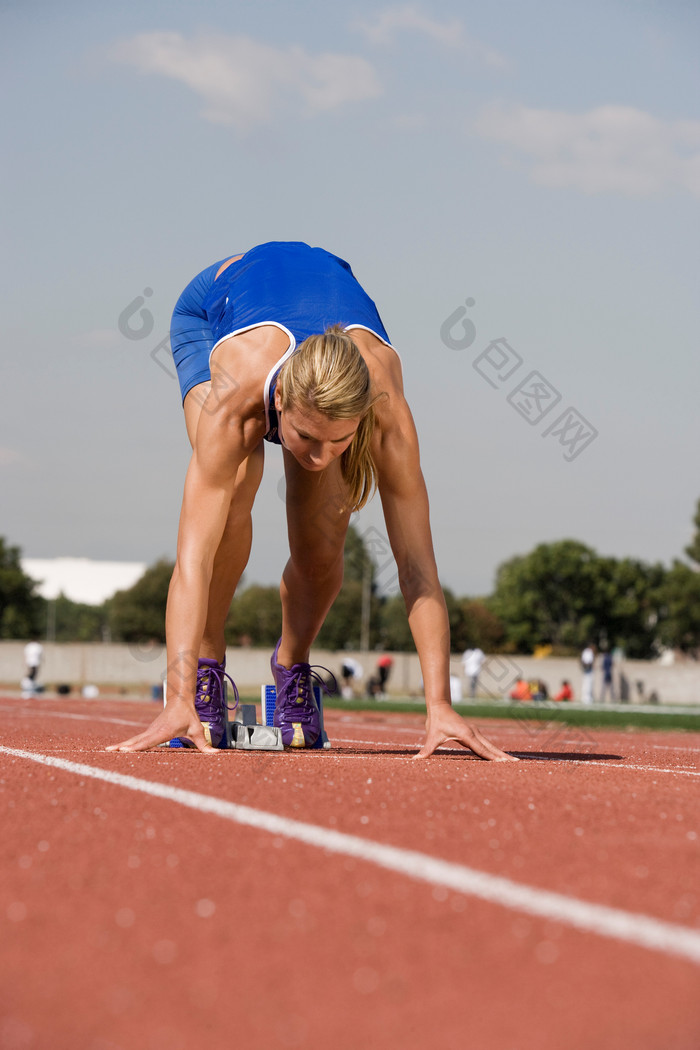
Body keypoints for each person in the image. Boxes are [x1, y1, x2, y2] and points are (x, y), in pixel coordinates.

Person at [107, 241, 515, 761]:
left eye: (339, 442)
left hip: (316, 305)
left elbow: (415, 566)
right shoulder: (241, 397)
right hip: (210, 313)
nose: (321, 458)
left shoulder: (386, 415)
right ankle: (206, 673)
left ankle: (292, 666)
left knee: (322, 549)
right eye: (306, 439)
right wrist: (178, 693)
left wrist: (440, 703)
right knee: (237, 483)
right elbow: (193, 558)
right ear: (278, 402)